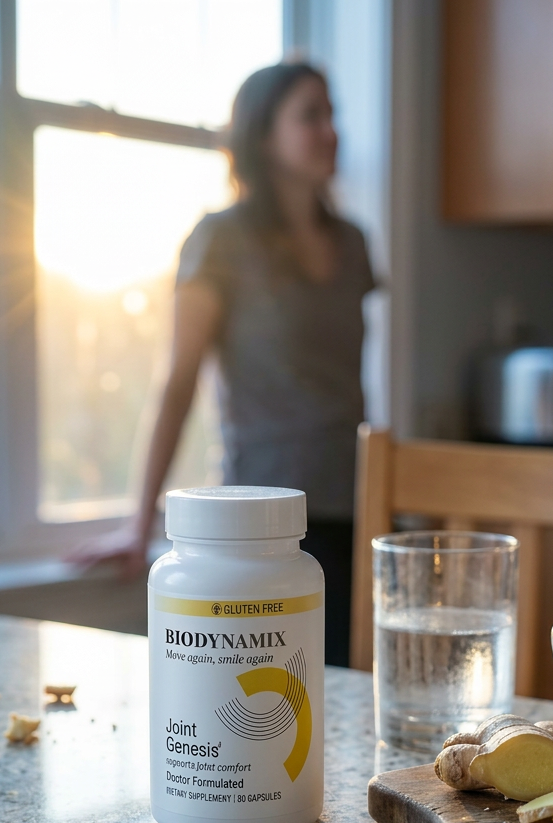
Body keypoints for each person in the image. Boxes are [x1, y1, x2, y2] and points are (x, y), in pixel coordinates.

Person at [73, 62, 375, 666]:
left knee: (346, 690)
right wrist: (140, 526)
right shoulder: (221, 239)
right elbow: (178, 382)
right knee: (280, 697)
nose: (330, 130)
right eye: (310, 115)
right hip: (261, 523)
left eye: (331, 114)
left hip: (360, 502)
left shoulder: (352, 242)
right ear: (263, 135)